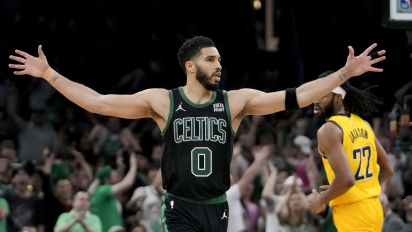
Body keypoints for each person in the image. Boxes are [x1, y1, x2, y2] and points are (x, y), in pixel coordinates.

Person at [9, 35, 385, 232]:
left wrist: (343, 75)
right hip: (179, 207)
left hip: (216, 207)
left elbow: (297, 96)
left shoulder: (236, 102)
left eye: (220, 59)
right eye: (211, 59)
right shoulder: (163, 101)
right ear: (190, 66)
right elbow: (98, 102)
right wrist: (49, 75)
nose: (219, 64)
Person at [307, 71, 394, 232]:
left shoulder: (328, 130)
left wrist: (320, 201)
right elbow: (388, 168)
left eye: (323, 96)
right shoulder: (363, 124)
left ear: (338, 98)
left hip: (353, 214)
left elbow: (346, 180)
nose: (316, 101)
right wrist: (365, 190)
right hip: (373, 208)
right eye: (315, 95)